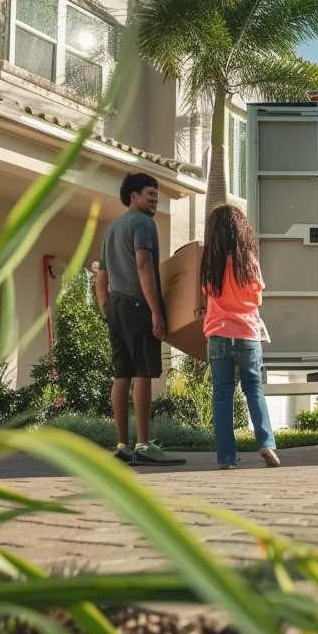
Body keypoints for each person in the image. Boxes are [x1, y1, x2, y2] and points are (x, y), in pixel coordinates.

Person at [93, 172, 179, 466]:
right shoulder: (144, 223)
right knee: (142, 373)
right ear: (133, 196)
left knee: (122, 374)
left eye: (157, 194)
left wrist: (106, 309)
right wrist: (156, 311)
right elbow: (144, 266)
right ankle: (142, 445)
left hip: (116, 305)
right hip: (138, 305)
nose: (154, 198)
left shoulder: (111, 229)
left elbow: (100, 278)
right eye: (149, 193)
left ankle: (120, 445)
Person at [200, 203, 280, 470]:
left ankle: (226, 458)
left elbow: (206, 294)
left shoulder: (209, 262)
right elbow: (257, 297)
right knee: (254, 389)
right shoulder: (248, 260)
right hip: (247, 333)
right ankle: (266, 443)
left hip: (218, 335)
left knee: (222, 395)